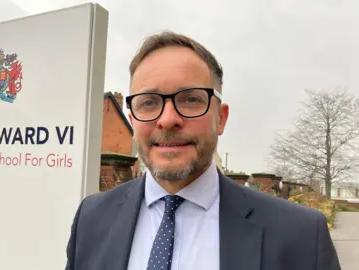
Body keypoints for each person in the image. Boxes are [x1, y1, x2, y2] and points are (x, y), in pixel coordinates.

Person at [65, 31, 341, 270]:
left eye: (191, 99)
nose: (168, 119)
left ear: (220, 118)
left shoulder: (301, 234)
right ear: (133, 118)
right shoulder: (92, 217)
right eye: (149, 102)